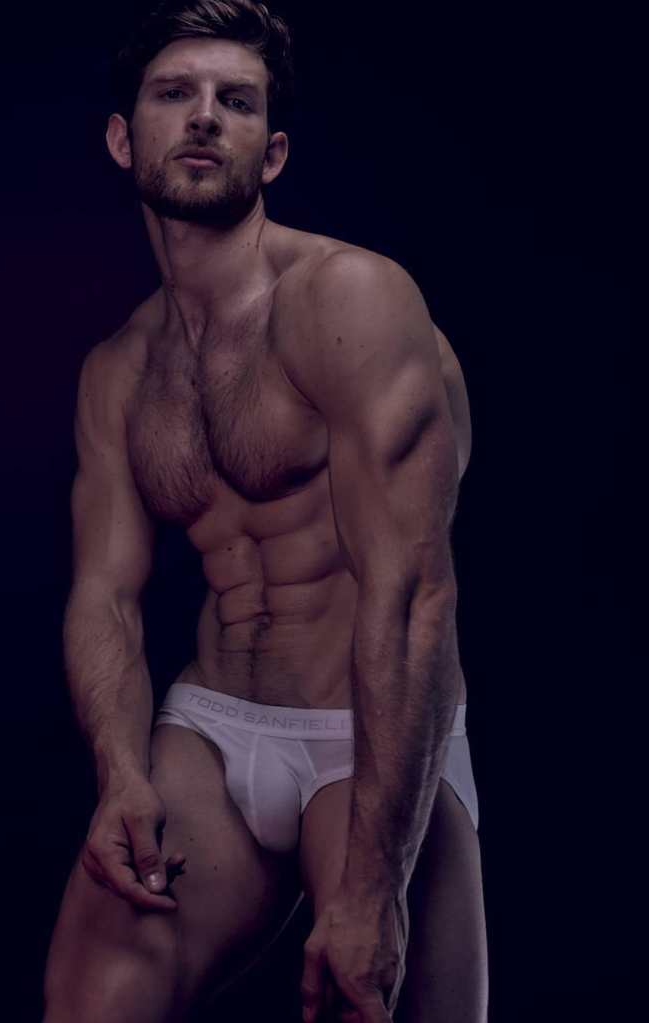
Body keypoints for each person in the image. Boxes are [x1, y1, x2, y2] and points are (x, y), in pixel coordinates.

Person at [43, 2, 488, 1021]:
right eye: (175, 94)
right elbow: (104, 597)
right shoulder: (118, 369)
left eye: (235, 102)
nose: (204, 116)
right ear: (123, 139)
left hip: (368, 736)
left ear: (271, 153)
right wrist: (121, 774)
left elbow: (411, 593)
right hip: (212, 728)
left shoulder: (350, 300)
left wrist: (374, 884)